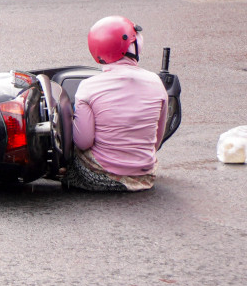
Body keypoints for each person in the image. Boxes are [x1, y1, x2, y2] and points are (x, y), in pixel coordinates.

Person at [67, 16, 170, 192]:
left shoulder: (88, 87)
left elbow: (83, 142)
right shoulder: (156, 82)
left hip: (100, 176)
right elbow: (157, 140)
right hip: (145, 176)